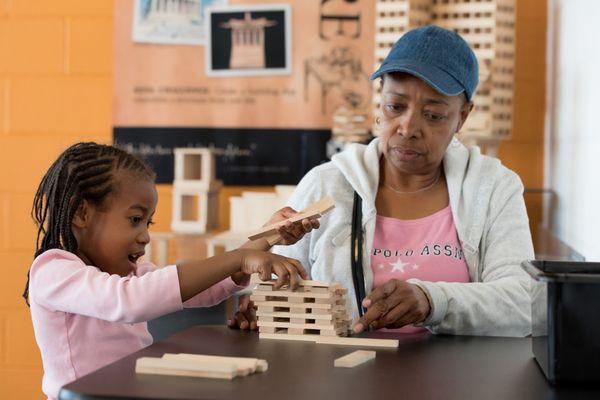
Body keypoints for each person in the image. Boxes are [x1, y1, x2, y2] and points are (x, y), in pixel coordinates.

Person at [230, 25, 533, 337]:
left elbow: (524, 303)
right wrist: (262, 307)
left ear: (462, 117)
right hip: (339, 380)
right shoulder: (327, 184)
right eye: (395, 107)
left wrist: (433, 301)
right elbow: (277, 287)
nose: (408, 127)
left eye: (433, 115)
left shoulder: (493, 188)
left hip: (457, 382)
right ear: (380, 102)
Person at [25, 142, 316, 400]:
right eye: (135, 219)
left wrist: (267, 238)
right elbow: (129, 302)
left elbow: (199, 287)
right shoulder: (53, 270)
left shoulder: (129, 275)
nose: (145, 236)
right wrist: (240, 258)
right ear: (81, 213)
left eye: (147, 223)